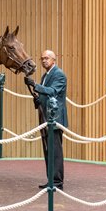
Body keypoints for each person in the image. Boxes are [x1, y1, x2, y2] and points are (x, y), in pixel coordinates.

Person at [24, 50, 68, 190]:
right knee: (48, 151)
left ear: (53, 60)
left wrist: (35, 85)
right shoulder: (45, 75)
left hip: (54, 119)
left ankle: (57, 182)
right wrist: (37, 97)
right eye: (42, 58)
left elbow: (53, 91)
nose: (43, 61)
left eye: (46, 58)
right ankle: (51, 180)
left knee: (55, 151)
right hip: (45, 117)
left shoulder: (59, 74)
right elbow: (44, 95)